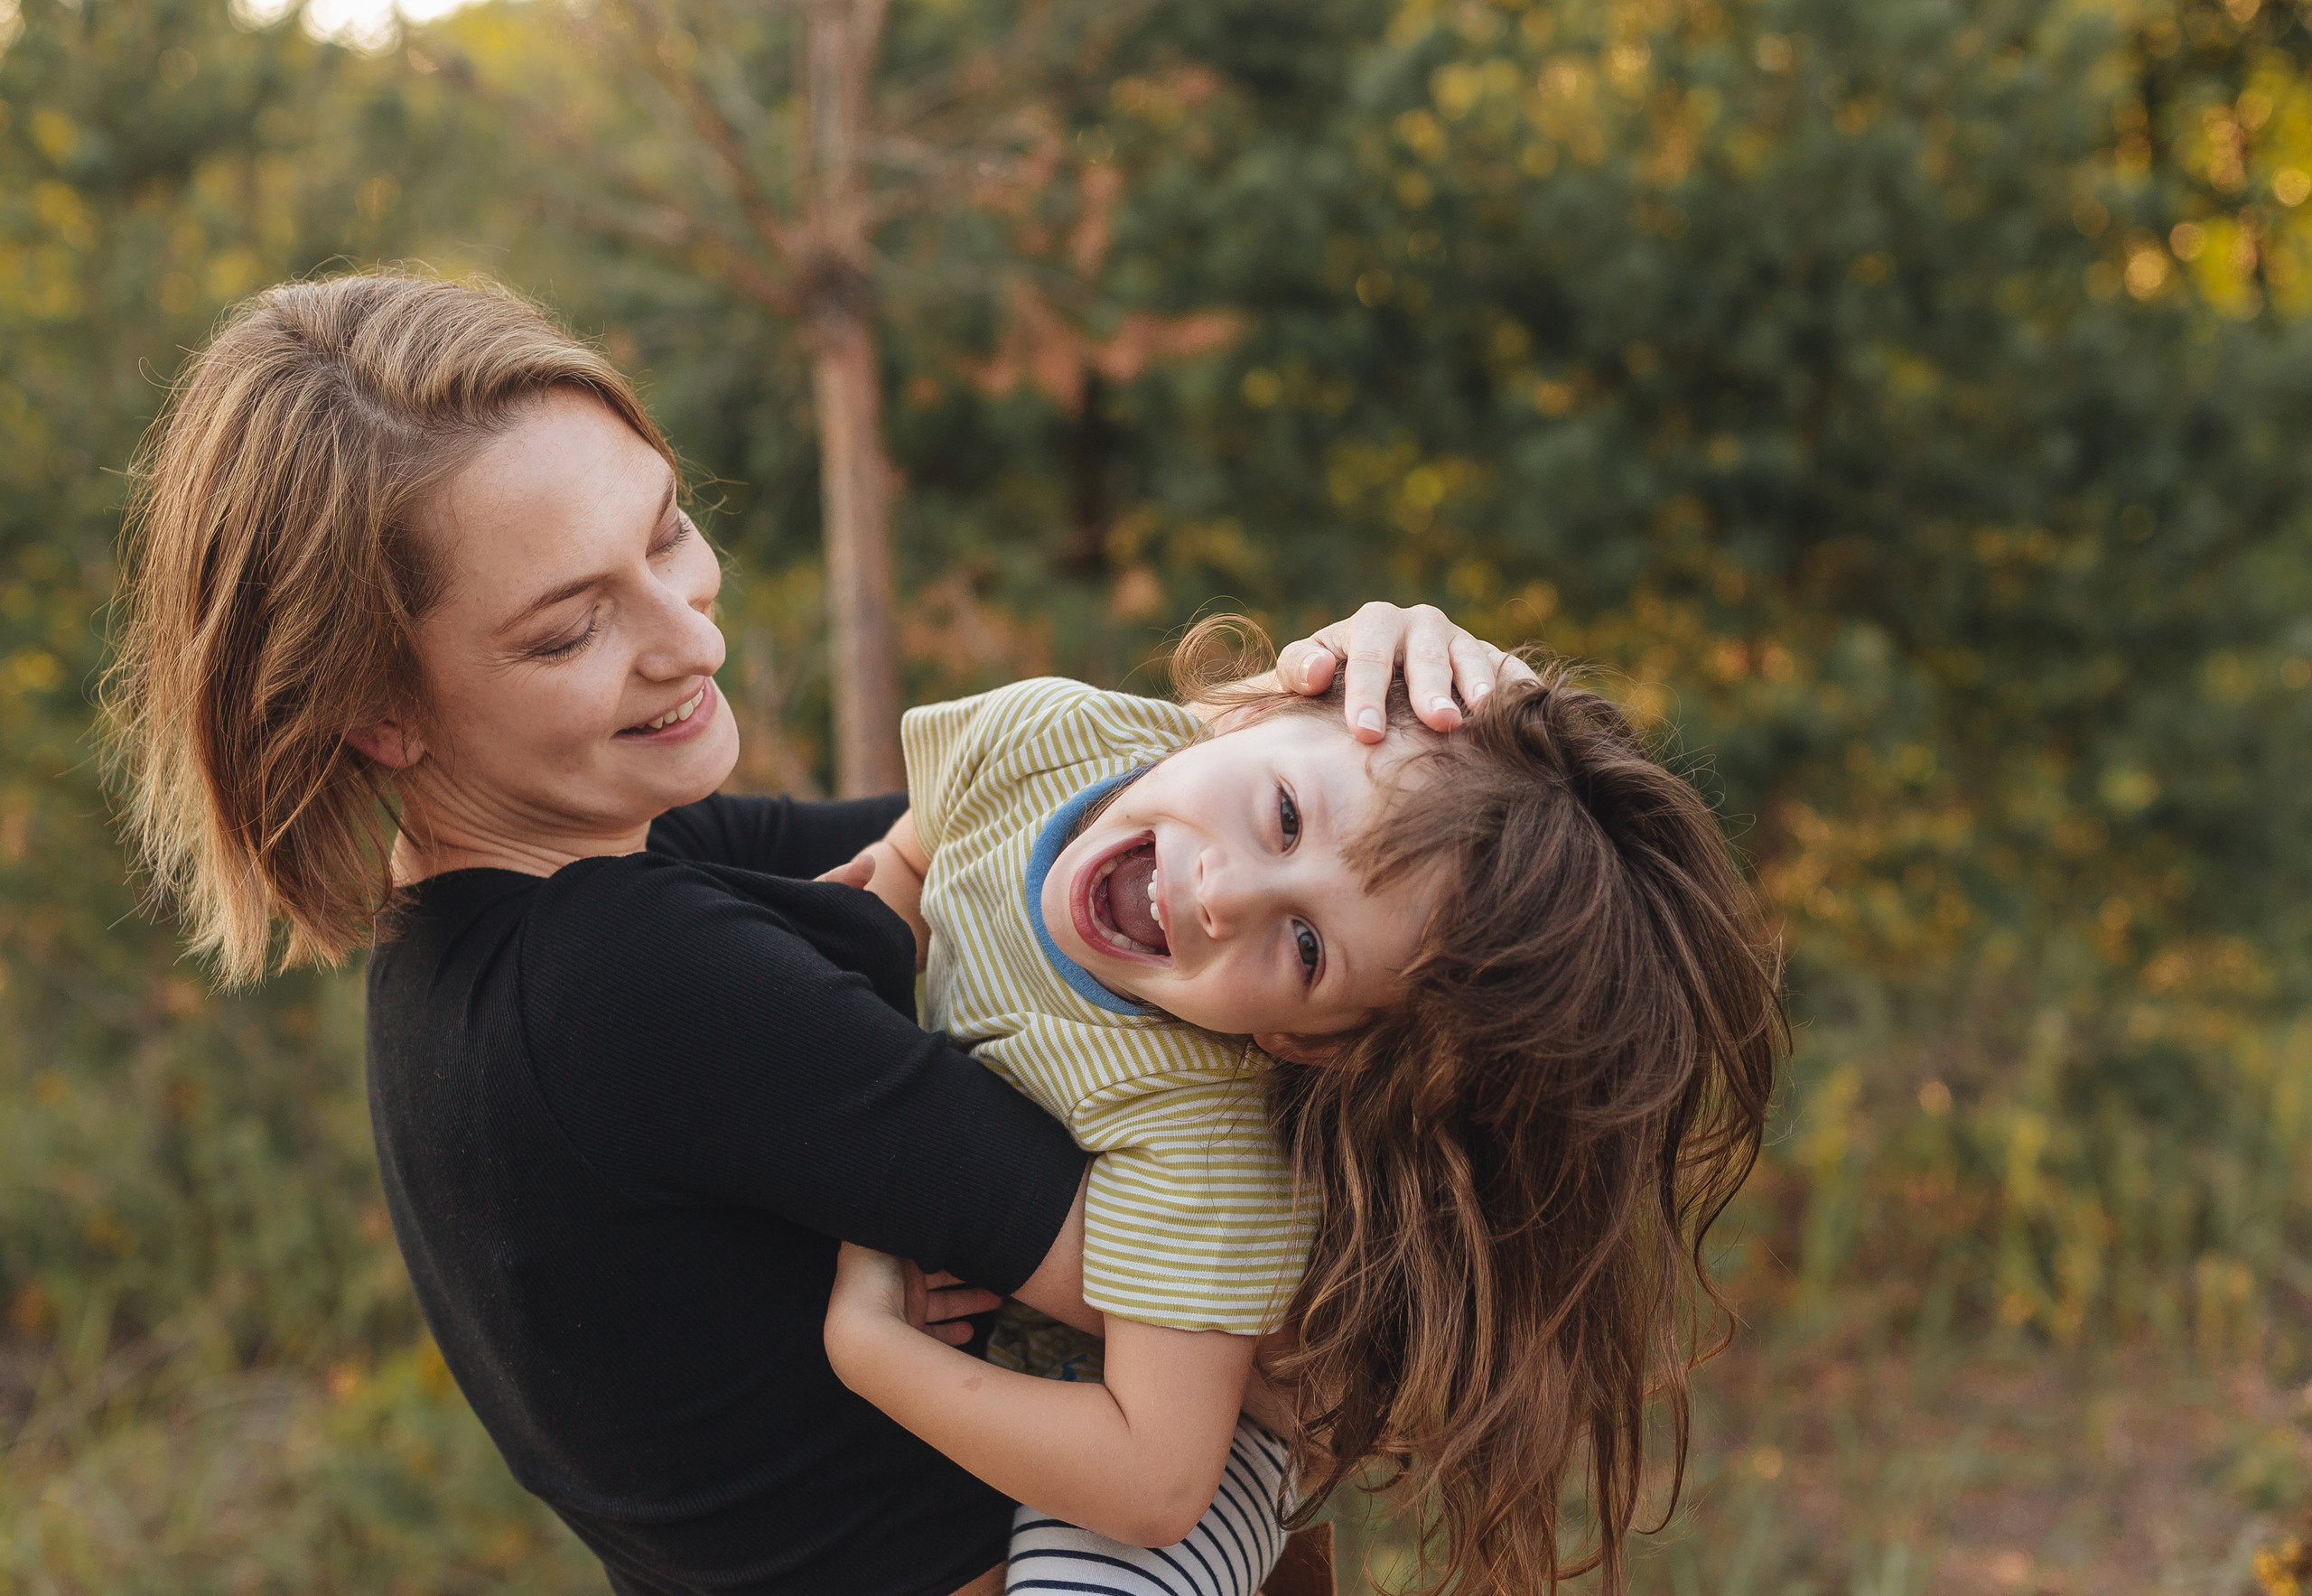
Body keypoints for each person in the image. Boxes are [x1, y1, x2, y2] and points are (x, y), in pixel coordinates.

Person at [99, 268, 1527, 1596]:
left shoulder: (529, 908)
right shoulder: (626, 978)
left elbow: (1049, 838)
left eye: (666, 530)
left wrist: (1391, 735)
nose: (692, 639)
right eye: (568, 630)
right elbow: (1303, 1350)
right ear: (380, 711)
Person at [820, 618, 1788, 1596]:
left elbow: (1154, 1480)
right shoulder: (1040, 739)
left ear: (1303, 1041)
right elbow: (913, 859)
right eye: (1284, 815)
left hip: (1191, 1424)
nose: (1226, 895)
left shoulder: (1199, 1136)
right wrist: (847, 953)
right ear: (1256, 713)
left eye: (1308, 948)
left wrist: (869, 1346)